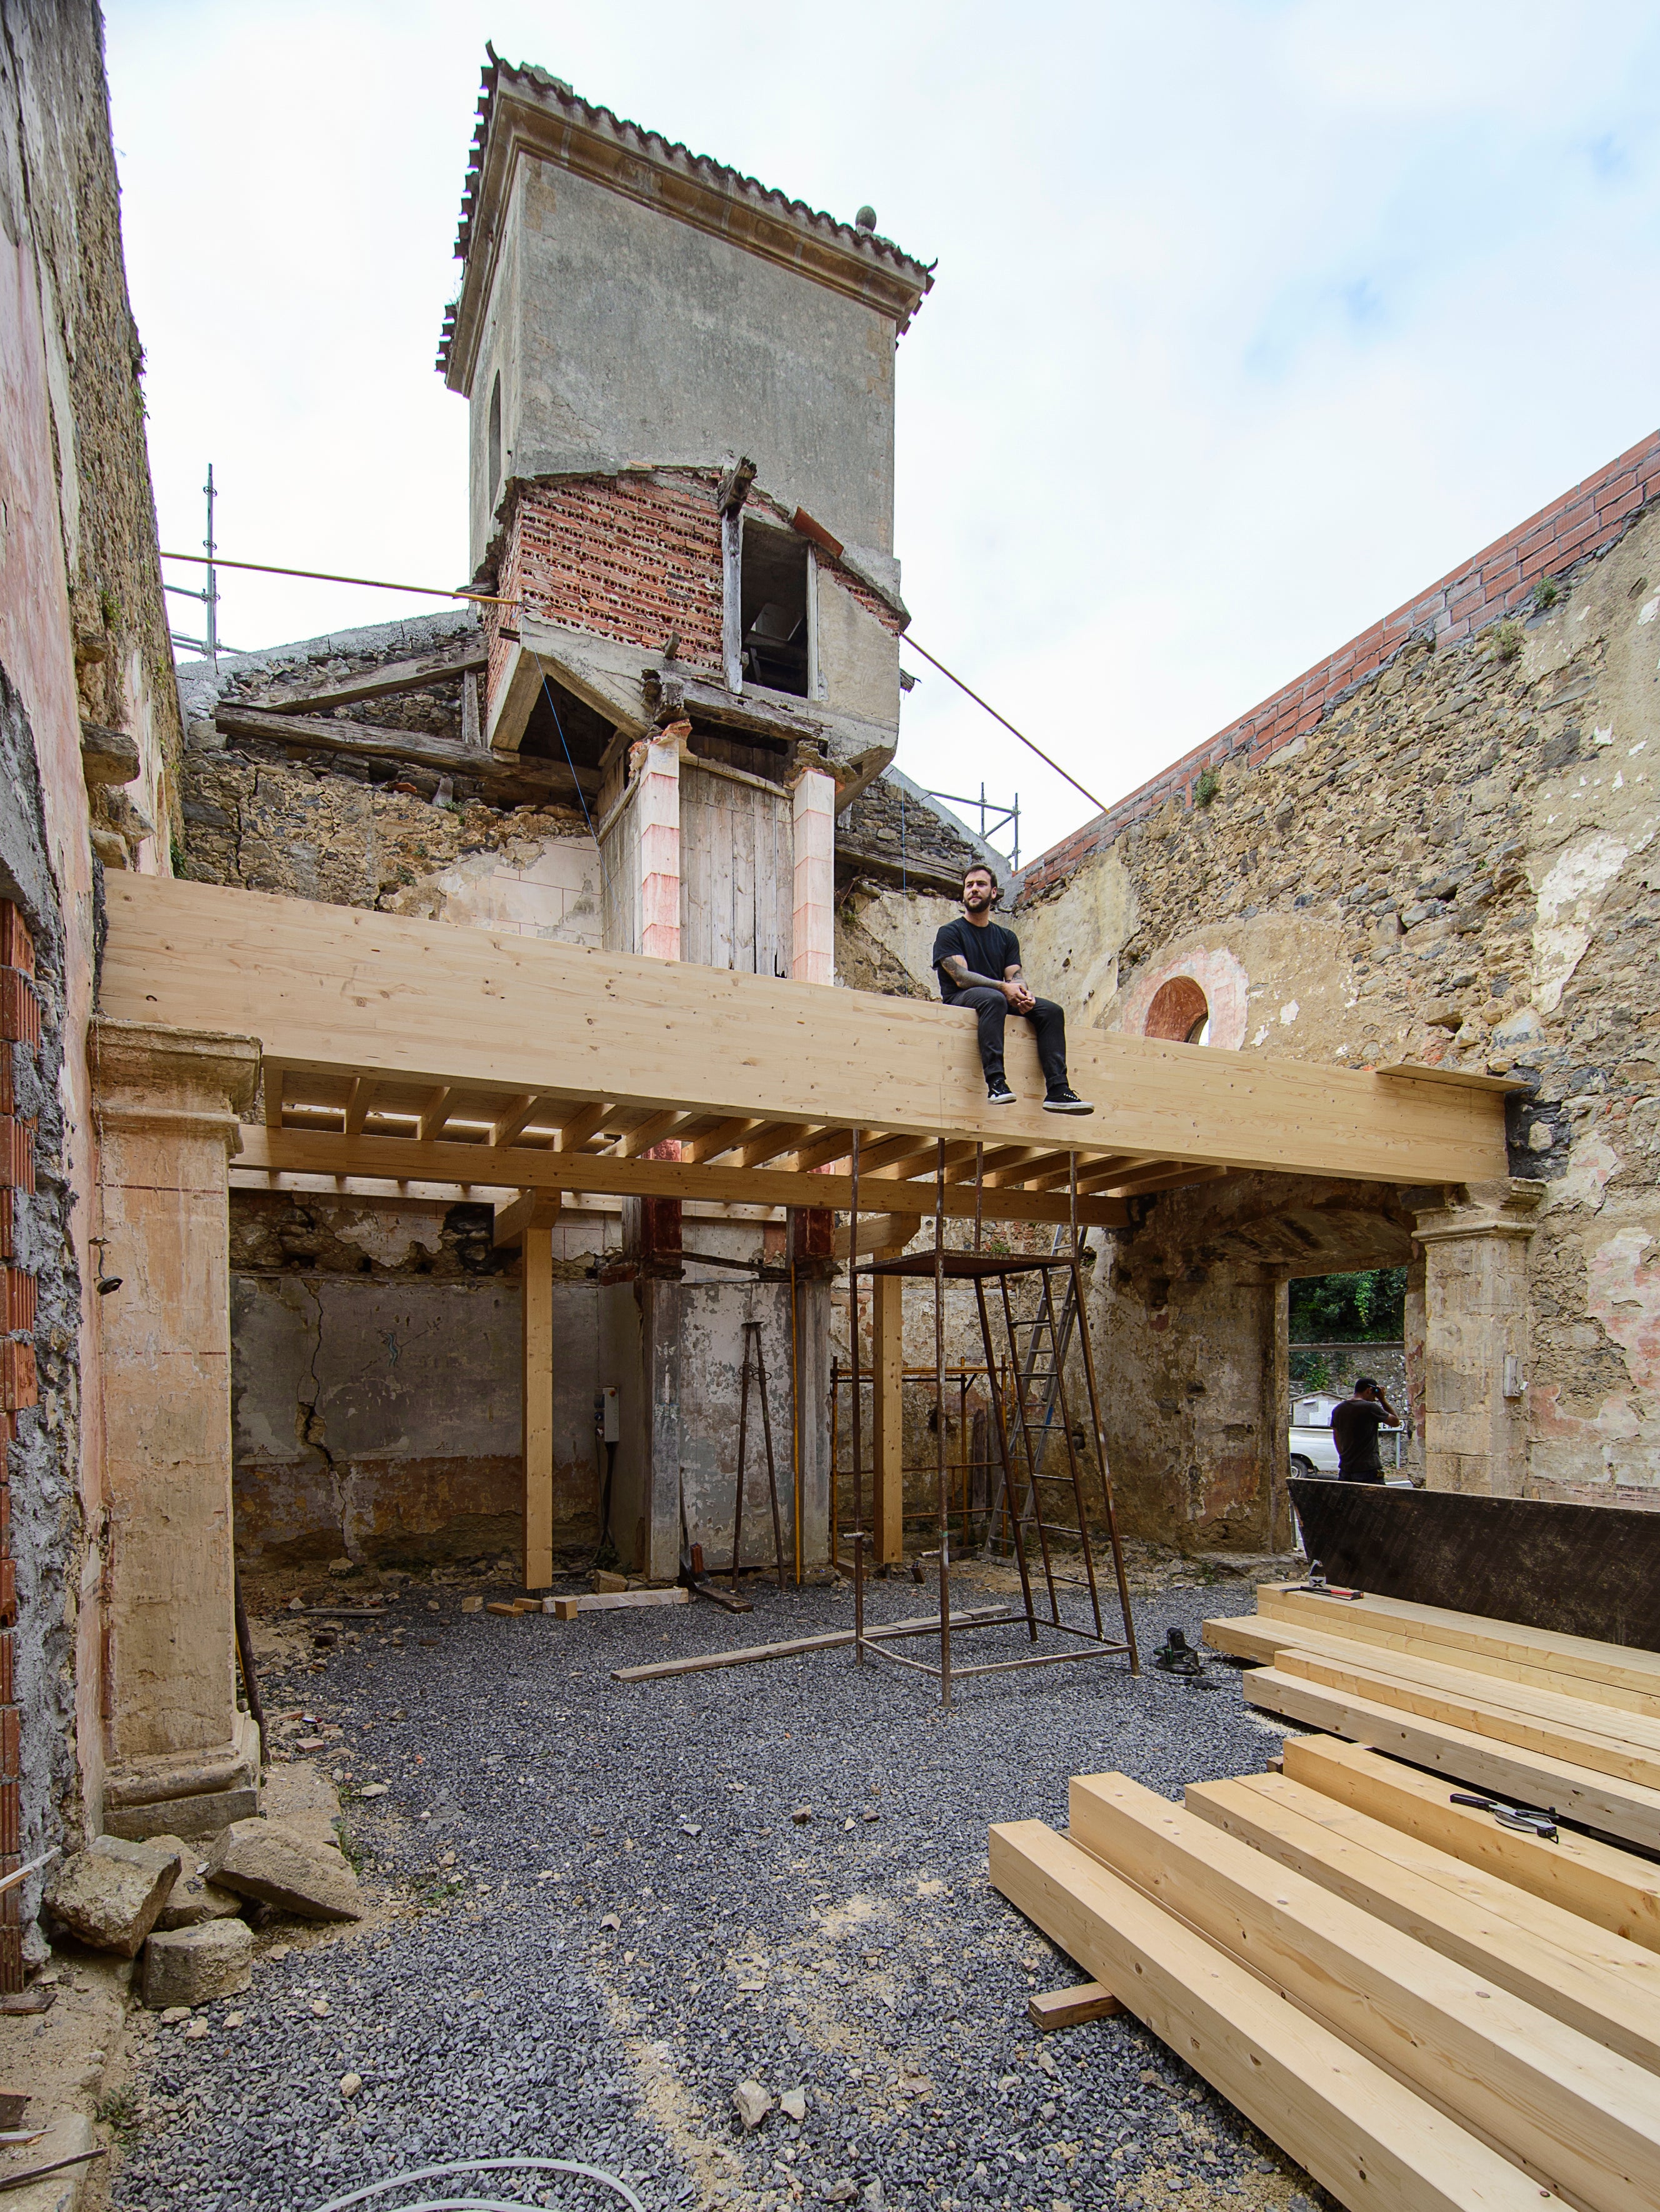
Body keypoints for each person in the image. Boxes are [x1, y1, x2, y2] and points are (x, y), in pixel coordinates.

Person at [931, 864, 1093, 1112]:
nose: (974, 890)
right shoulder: (950, 932)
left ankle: (1058, 1090)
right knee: (994, 999)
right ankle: (997, 1083)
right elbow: (961, 978)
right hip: (962, 999)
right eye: (969, 886)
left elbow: (1014, 975)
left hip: (997, 997)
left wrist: (1022, 993)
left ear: (994, 892)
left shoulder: (1006, 937)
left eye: (981, 885)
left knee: (1051, 1011)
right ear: (963, 894)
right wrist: (1004, 989)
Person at [1330, 1376, 1401, 1483]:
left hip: (1346, 1467)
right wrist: (1382, 1399)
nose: (1375, 1398)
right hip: (1368, 1467)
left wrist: (1344, 1457)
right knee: (1376, 1499)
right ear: (1369, 1390)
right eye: (1375, 1393)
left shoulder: (1338, 1409)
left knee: (1349, 1500)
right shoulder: (1370, 1408)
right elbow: (1395, 1422)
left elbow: (1336, 1436)